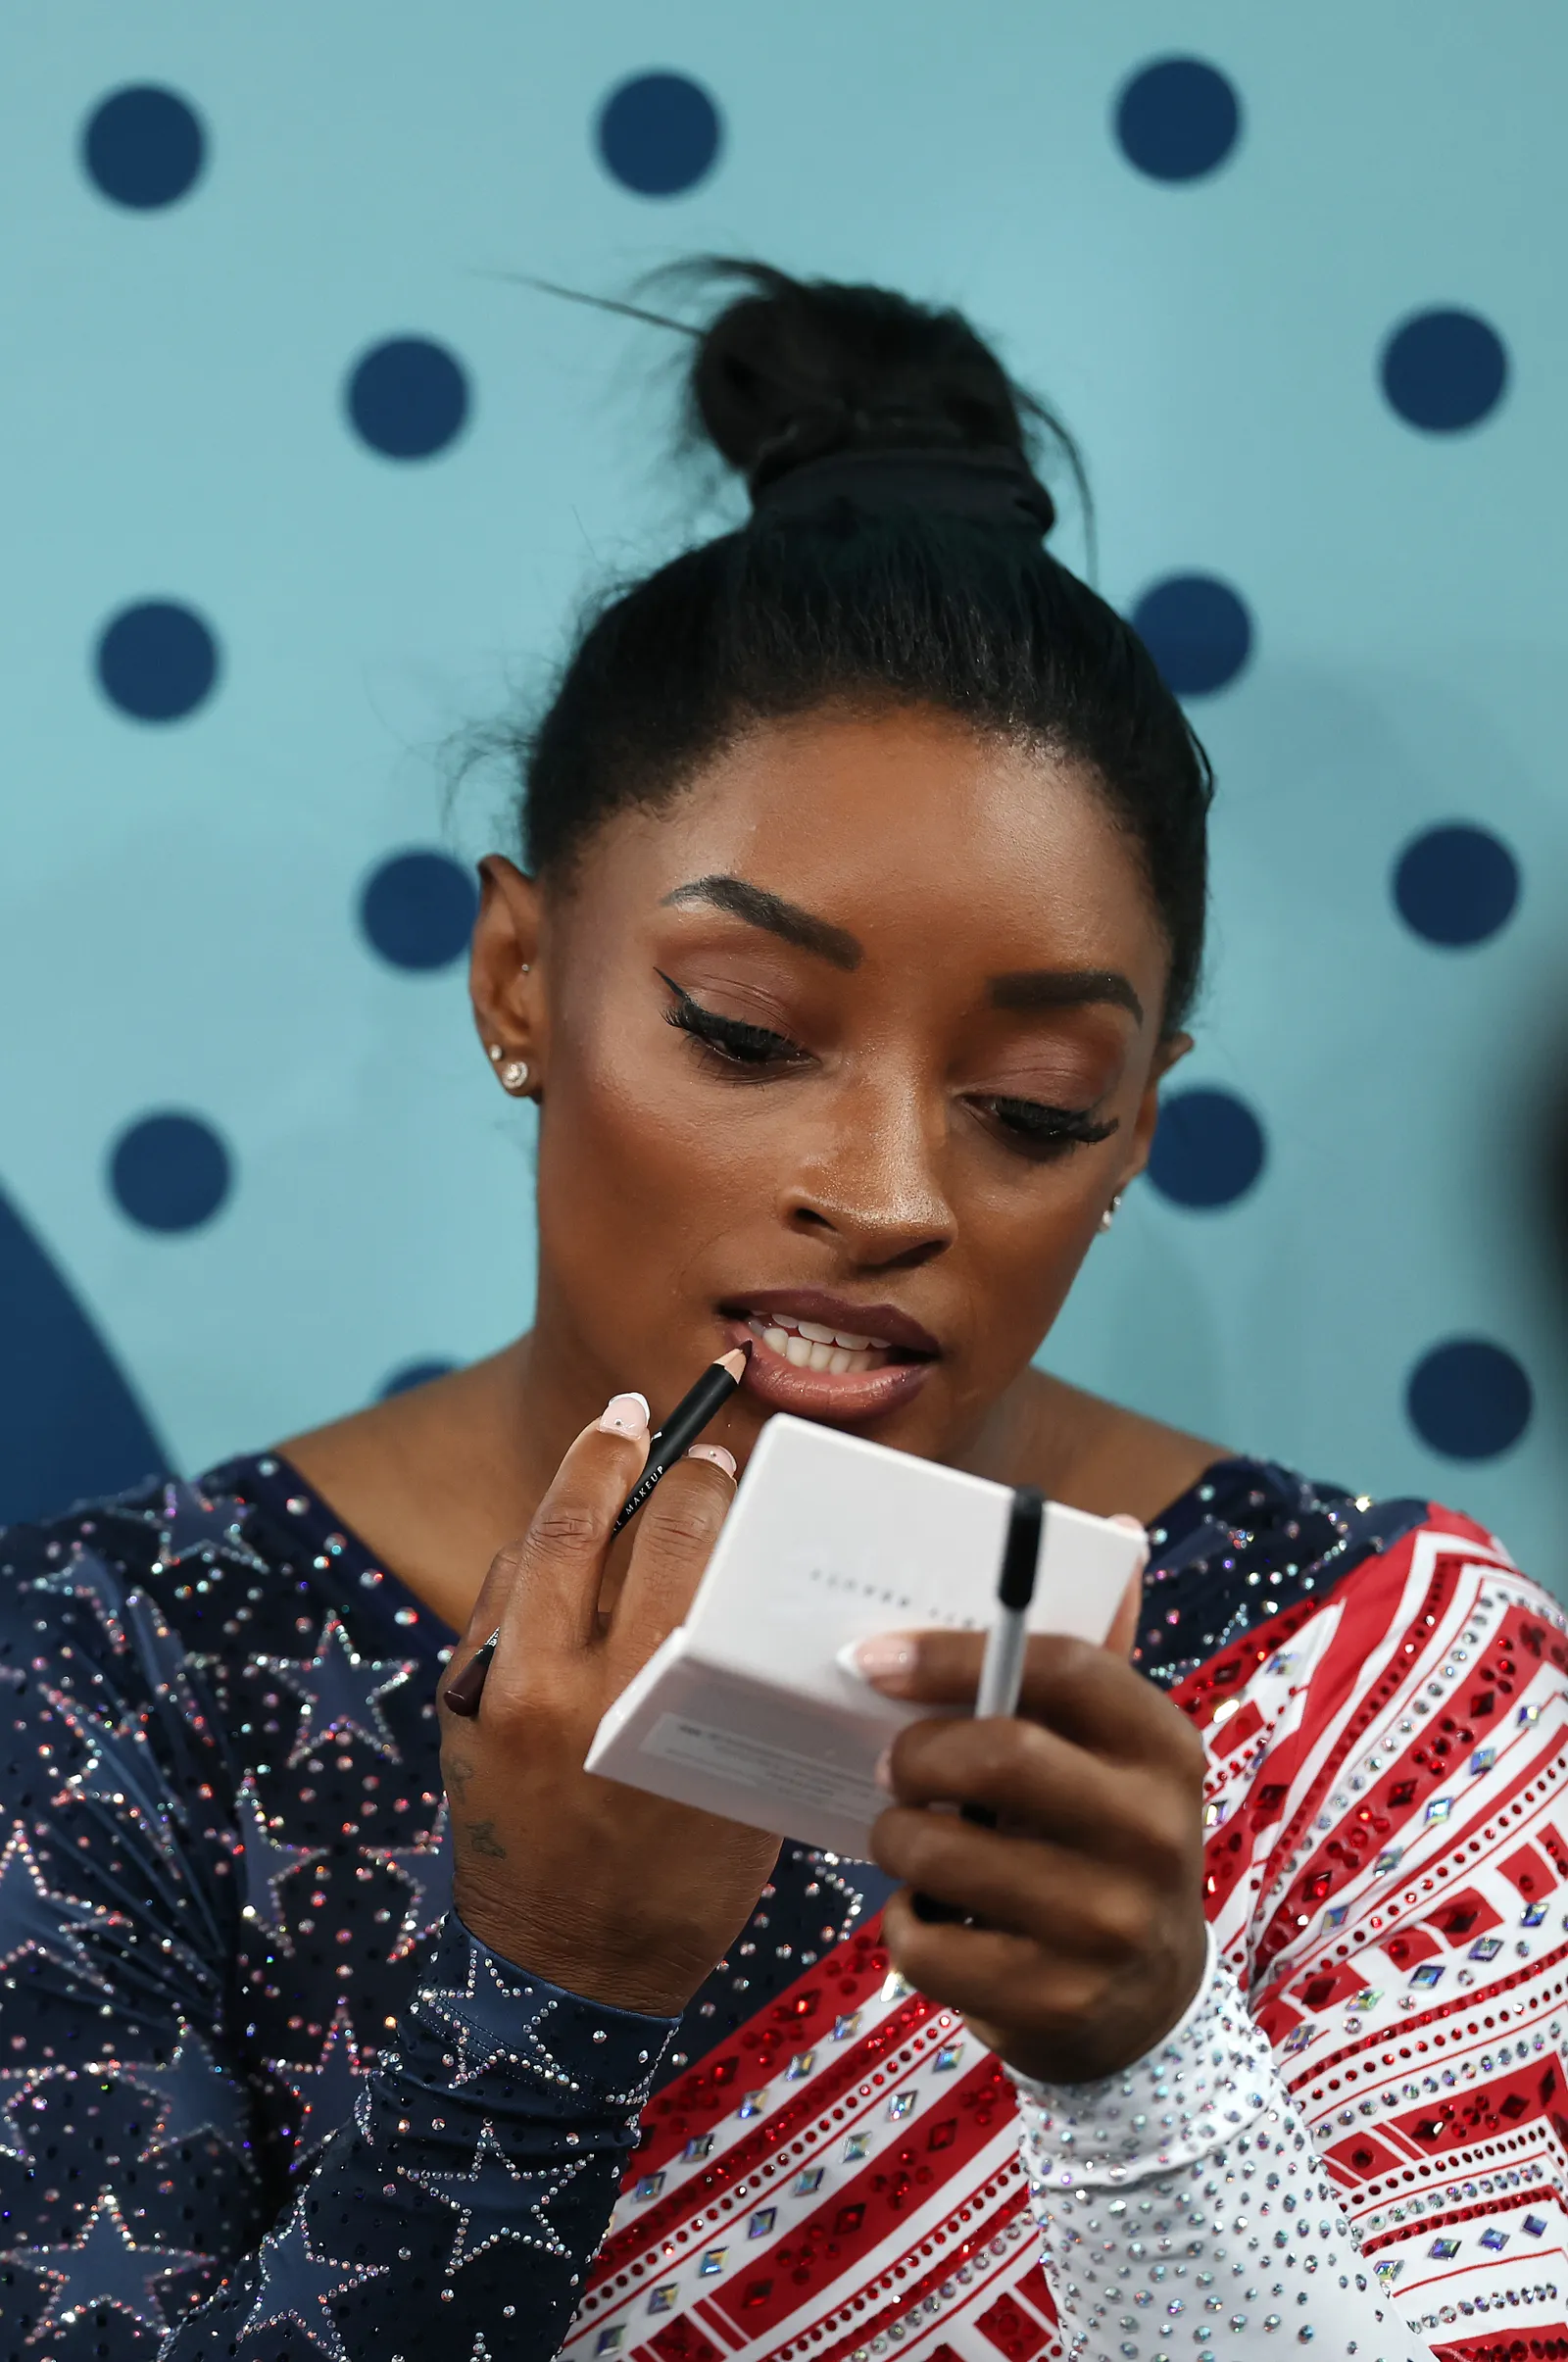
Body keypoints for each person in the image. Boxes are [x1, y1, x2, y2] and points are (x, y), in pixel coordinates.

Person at [1, 266, 1563, 2362]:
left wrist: (1146, 2080)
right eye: (747, 1035)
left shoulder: (1383, 1690)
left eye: (1028, 1106)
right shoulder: (122, 1673)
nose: (892, 1191)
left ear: (1133, 1132)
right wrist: (539, 1996)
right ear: (515, 983)